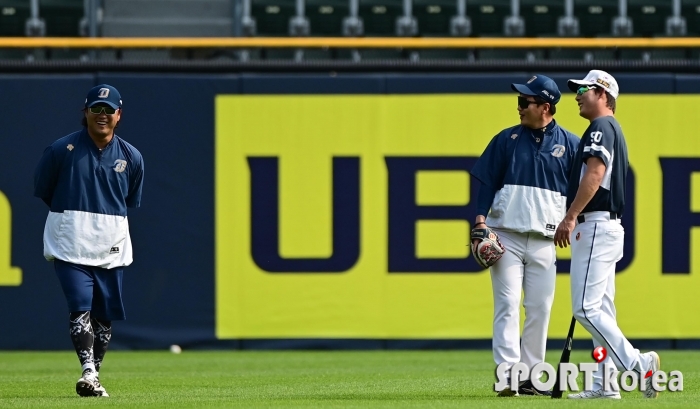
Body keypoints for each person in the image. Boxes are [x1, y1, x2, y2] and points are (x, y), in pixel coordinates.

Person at [471, 75, 580, 397]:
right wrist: (480, 220)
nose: (519, 107)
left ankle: (531, 376)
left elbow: (579, 192)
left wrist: (575, 221)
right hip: (506, 235)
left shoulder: (571, 144)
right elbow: (487, 182)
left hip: (546, 239)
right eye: (519, 101)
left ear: (545, 107)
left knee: (540, 307)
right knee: (506, 303)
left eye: (525, 102)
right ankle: (507, 376)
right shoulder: (507, 139)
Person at [554, 70, 660, 399]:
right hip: (606, 225)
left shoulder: (601, 127)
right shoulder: (610, 128)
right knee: (602, 309)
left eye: (584, 89)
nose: (577, 95)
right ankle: (605, 385)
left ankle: (639, 365)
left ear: (603, 93)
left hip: (596, 224)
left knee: (585, 309)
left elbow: (596, 173)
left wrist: (571, 216)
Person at [34, 84, 144, 397]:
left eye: (109, 110)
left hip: (110, 245)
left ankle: (94, 376)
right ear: (85, 112)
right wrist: (72, 218)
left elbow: (129, 200)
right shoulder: (60, 150)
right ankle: (87, 370)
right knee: (79, 306)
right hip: (70, 243)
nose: (102, 115)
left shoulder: (132, 157)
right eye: (96, 108)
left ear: (119, 115)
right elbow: (44, 189)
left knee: (104, 316)